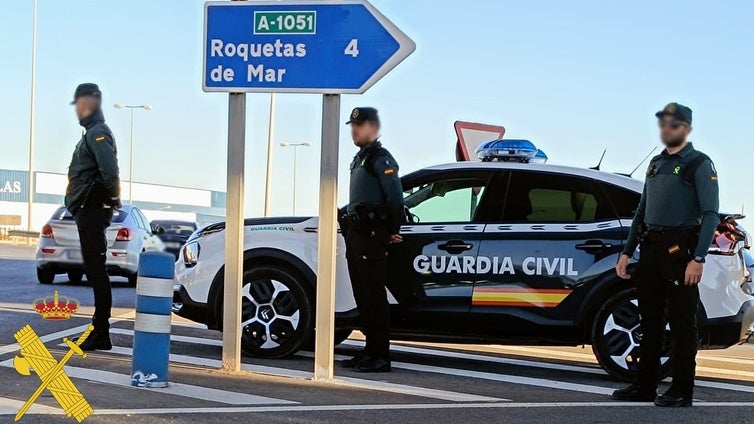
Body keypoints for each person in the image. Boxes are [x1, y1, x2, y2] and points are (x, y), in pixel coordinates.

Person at [613, 103, 719, 407]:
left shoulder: (698, 163)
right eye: (662, 124)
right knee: (649, 320)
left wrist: (697, 258)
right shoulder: (657, 163)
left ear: (685, 128)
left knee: (683, 322)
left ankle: (682, 390)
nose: (666, 130)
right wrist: (627, 251)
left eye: (673, 125)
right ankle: (644, 385)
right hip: (650, 249)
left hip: (679, 250)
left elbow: (710, 214)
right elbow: (642, 211)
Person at [338, 107, 404, 373]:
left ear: (373, 129)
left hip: (373, 236)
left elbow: (395, 198)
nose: (354, 129)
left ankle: (381, 356)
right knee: (362, 296)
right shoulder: (360, 158)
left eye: (360, 125)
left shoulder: (381, 158)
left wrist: (391, 230)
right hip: (358, 235)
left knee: (374, 297)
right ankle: (369, 351)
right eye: (352, 125)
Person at [65, 83, 122, 351]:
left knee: (97, 271)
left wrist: (109, 198)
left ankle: (101, 332)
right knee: (94, 270)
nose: (79, 108)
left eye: (82, 102)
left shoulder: (97, 132)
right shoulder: (92, 132)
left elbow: (108, 172)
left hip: (92, 209)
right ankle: (100, 331)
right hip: (88, 209)